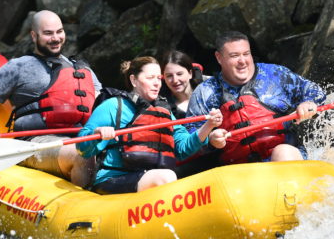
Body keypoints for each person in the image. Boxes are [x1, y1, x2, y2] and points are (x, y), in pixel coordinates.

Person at [0, 10, 100, 186]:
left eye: (59, 31)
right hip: (34, 143)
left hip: (80, 136)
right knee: (83, 154)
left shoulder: (81, 70)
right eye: (48, 33)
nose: (56, 38)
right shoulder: (18, 66)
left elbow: (102, 103)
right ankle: (82, 205)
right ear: (34, 35)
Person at [77, 56, 226, 193]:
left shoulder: (165, 111)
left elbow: (182, 149)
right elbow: (82, 147)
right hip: (114, 178)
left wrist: (208, 126)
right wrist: (97, 133)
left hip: (151, 176)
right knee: (165, 177)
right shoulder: (114, 106)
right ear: (134, 80)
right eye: (150, 78)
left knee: (167, 176)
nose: (157, 83)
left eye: (159, 78)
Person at [187, 31, 325, 163]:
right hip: (238, 172)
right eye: (234, 56)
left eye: (246, 54)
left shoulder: (275, 75)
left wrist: (308, 103)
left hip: (286, 158)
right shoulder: (204, 93)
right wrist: (210, 138)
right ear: (219, 58)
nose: (242, 61)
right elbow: (188, 140)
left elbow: (315, 91)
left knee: (282, 153)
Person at [159, 50, 206, 118]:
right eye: (169, 76)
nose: (175, 80)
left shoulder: (209, 91)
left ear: (190, 73)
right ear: (164, 77)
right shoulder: (161, 107)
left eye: (179, 74)